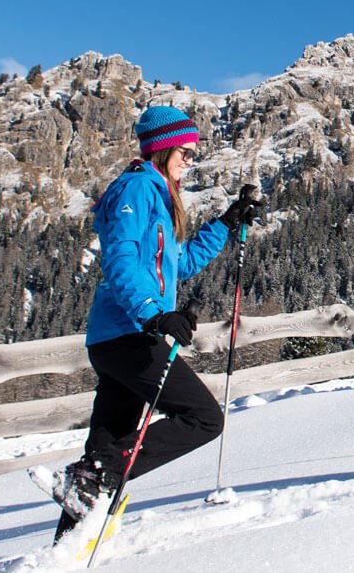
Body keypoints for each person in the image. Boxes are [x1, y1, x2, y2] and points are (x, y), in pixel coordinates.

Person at [47, 105, 262, 536]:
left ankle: (68, 544)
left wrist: (226, 223)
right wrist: (154, 315)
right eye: (185, 150)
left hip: (119, 337)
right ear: (163, 149)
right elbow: (121, 261)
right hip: (128, 334)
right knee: (204, 418)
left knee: (109, 444)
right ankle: (93, 476)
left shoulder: (159, 195)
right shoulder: (136, 190)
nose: (189, 158)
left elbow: (177, 265)